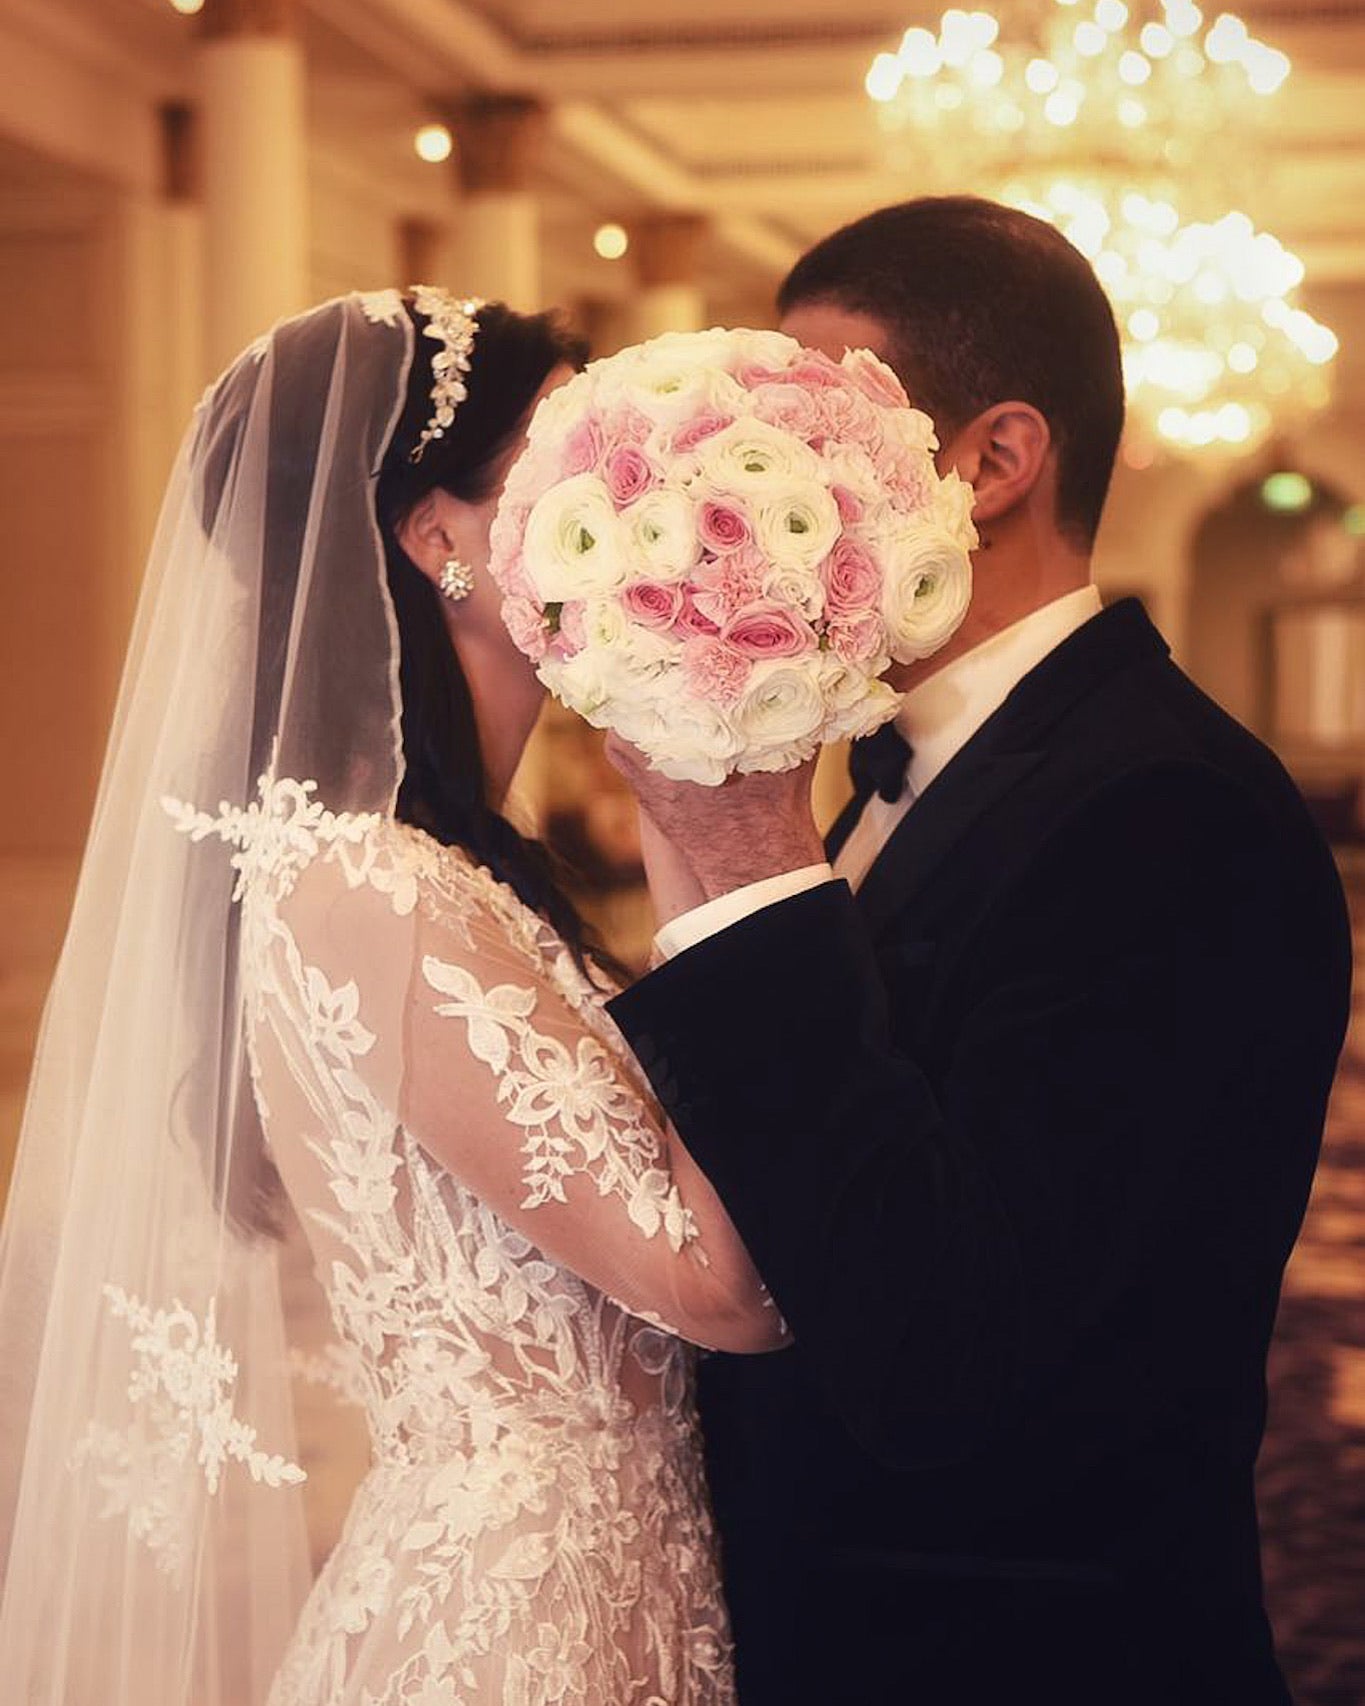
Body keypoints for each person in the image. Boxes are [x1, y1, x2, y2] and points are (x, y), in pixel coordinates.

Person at [604, 197, 1353, 1704]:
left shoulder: (1167, 811)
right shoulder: (890, 765)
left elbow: (951, 1354)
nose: (756, 489)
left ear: (990, 460)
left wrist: (754, 865)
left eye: (814, 427)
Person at [0, 288, 786, 1706]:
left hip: (616, 1573)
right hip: (519, 1625)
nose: (629, 511)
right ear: (439, 541)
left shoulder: (449, 868)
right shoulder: (371, 889)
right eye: (573, 473)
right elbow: (721, 1285)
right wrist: (710, 840)